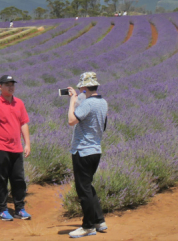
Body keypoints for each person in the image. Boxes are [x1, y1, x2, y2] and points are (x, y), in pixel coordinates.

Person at [0, 74, 31, 221]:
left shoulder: (19, 103)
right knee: (1, 179)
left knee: (18, 179)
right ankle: (2, 209)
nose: (11, 87)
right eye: (7, 84)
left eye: (12, 84)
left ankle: (19, 209)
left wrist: (27, 143)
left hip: (16, 148)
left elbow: (24, 123)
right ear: (0, 87)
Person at [67, 72, 108, 238]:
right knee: (88, 186)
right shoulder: (103, 102)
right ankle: (99, 220)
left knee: (83, 189)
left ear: (84, 87)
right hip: (95, 150)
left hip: (82, 151)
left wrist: (72, 102)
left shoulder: (88, 103)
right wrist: (78, 99)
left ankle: (88, 226)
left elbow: (71, 120)